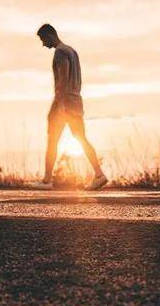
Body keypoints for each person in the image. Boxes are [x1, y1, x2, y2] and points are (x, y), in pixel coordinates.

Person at [31, 23, 108, 190]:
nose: (43, 44)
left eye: (43, 40)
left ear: (50, 35)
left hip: (64, 104)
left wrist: (57, 105)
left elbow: (63, 80)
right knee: (81, 138)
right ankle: (99, 175)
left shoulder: (60, 52)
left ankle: (46, 181)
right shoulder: (72, 51)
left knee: (52, 141)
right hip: (76, 102)